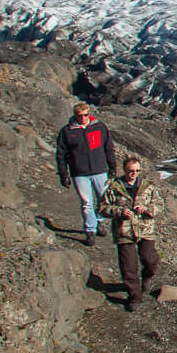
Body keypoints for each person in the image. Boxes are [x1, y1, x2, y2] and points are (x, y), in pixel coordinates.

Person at [100, 154, 164, 308]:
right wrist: (119, 212)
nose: (134, 174)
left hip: (145, 229)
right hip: (124, 231)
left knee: (150, 259)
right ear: (124, 170)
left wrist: (147, 209)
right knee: (128, 266)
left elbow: (160, 205)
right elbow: (102, 208)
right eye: (131, 171)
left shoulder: (148, 186)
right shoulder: (114, 187)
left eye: (137, 171)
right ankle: (134, 296)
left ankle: (147, 277)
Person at [55, 102, 117, 246]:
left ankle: (97, 221)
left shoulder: (99, 127)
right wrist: (64, 174)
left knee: (106, 200)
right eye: (79, 116)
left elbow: (109, 148)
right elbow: (61, 154)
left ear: (89, 114)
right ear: (75, 115)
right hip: (79, 173)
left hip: (100, 171)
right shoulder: (67, 132)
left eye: (85, 115)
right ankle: (90, 231)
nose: (83, 118)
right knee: (86, 203)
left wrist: (112, 167)